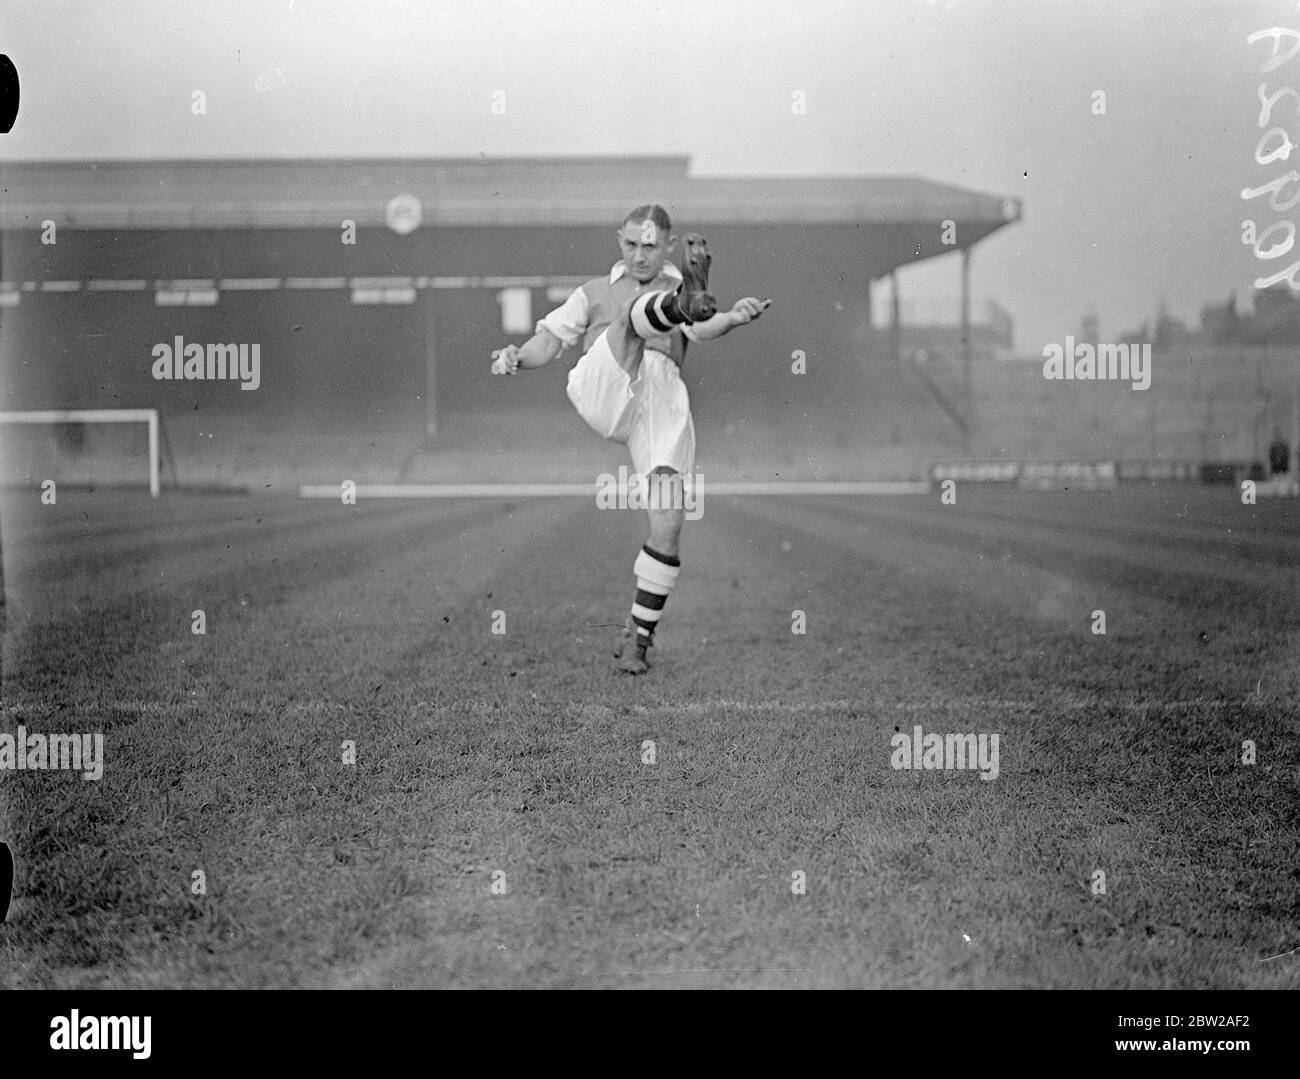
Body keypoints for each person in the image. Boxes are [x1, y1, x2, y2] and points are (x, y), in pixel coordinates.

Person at [490, 203, 769, 673]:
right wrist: (518, 354)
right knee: (627, 324)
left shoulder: (675, 283)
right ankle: (676, 306)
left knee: (669, 520)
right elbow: (550, 339)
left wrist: (733, 319)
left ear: (669, 246)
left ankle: (638, 638)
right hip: (606, 379)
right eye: (631, 244)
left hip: (660, 394)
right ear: (619, 239)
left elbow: (703, 327)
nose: (640, 255)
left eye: (651, 247)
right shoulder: (594, 292)